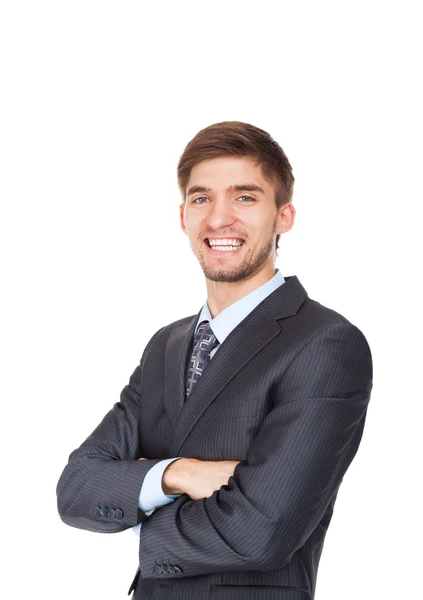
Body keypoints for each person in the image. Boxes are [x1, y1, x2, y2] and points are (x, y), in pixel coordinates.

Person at [56, 121, 373, 599]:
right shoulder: (166, 345)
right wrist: (177, 473)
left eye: (245, 198)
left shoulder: (324, 343)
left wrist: (139, 508)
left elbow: (261, 531)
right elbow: (77, 487)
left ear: (283, 216)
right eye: (202, 198)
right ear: (182, 215)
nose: (219, 219)